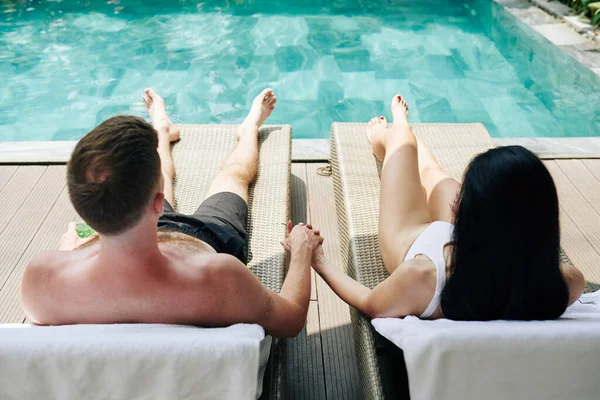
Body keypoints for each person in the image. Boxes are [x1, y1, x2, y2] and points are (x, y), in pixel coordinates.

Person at [20, 88, 322, 338]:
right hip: (207, 237)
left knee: (158, 172)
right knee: (234, 174)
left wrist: (72, 251)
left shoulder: (42, 280)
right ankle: (248, 130)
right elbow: (291, 318)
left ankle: (162, 132)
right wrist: (301, 249)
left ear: (83, 212)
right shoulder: (221, 280)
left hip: (130, 230)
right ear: (157, 202)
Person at [311, 94, 586, 321]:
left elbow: (369, 303)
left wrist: (319, 261)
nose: (457, 200)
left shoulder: (419, 277)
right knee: (432, 171)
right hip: (478, 249)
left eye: (464, 198)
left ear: (469, 212)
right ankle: (403, 137)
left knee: (403, 144)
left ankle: (391, 134)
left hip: (414, 238)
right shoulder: (564, 283)